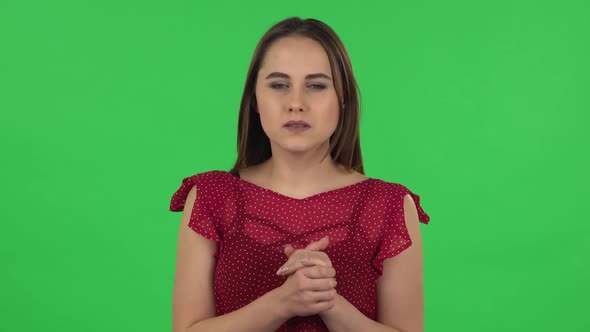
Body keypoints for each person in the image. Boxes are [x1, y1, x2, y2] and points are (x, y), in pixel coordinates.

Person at [169, 16, 431, 332]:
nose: (296, 103)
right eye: (279, 85)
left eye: (316, 85)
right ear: (254, 98)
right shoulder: (212, 197)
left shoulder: (389, 205)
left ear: (343, 99)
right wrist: (282, 303)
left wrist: (330, 303)